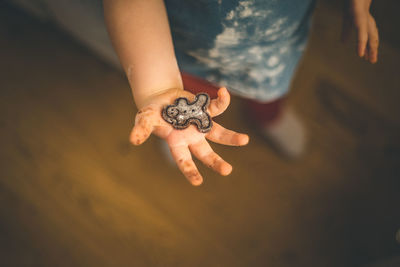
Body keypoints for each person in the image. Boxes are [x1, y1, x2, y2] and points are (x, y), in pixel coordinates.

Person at [11, 0, 379, 185]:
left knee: (269, 89)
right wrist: (157, 88)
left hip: (272, 48)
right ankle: (182, 122)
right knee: (194, 87)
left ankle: (269, 114)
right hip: (182, 50)